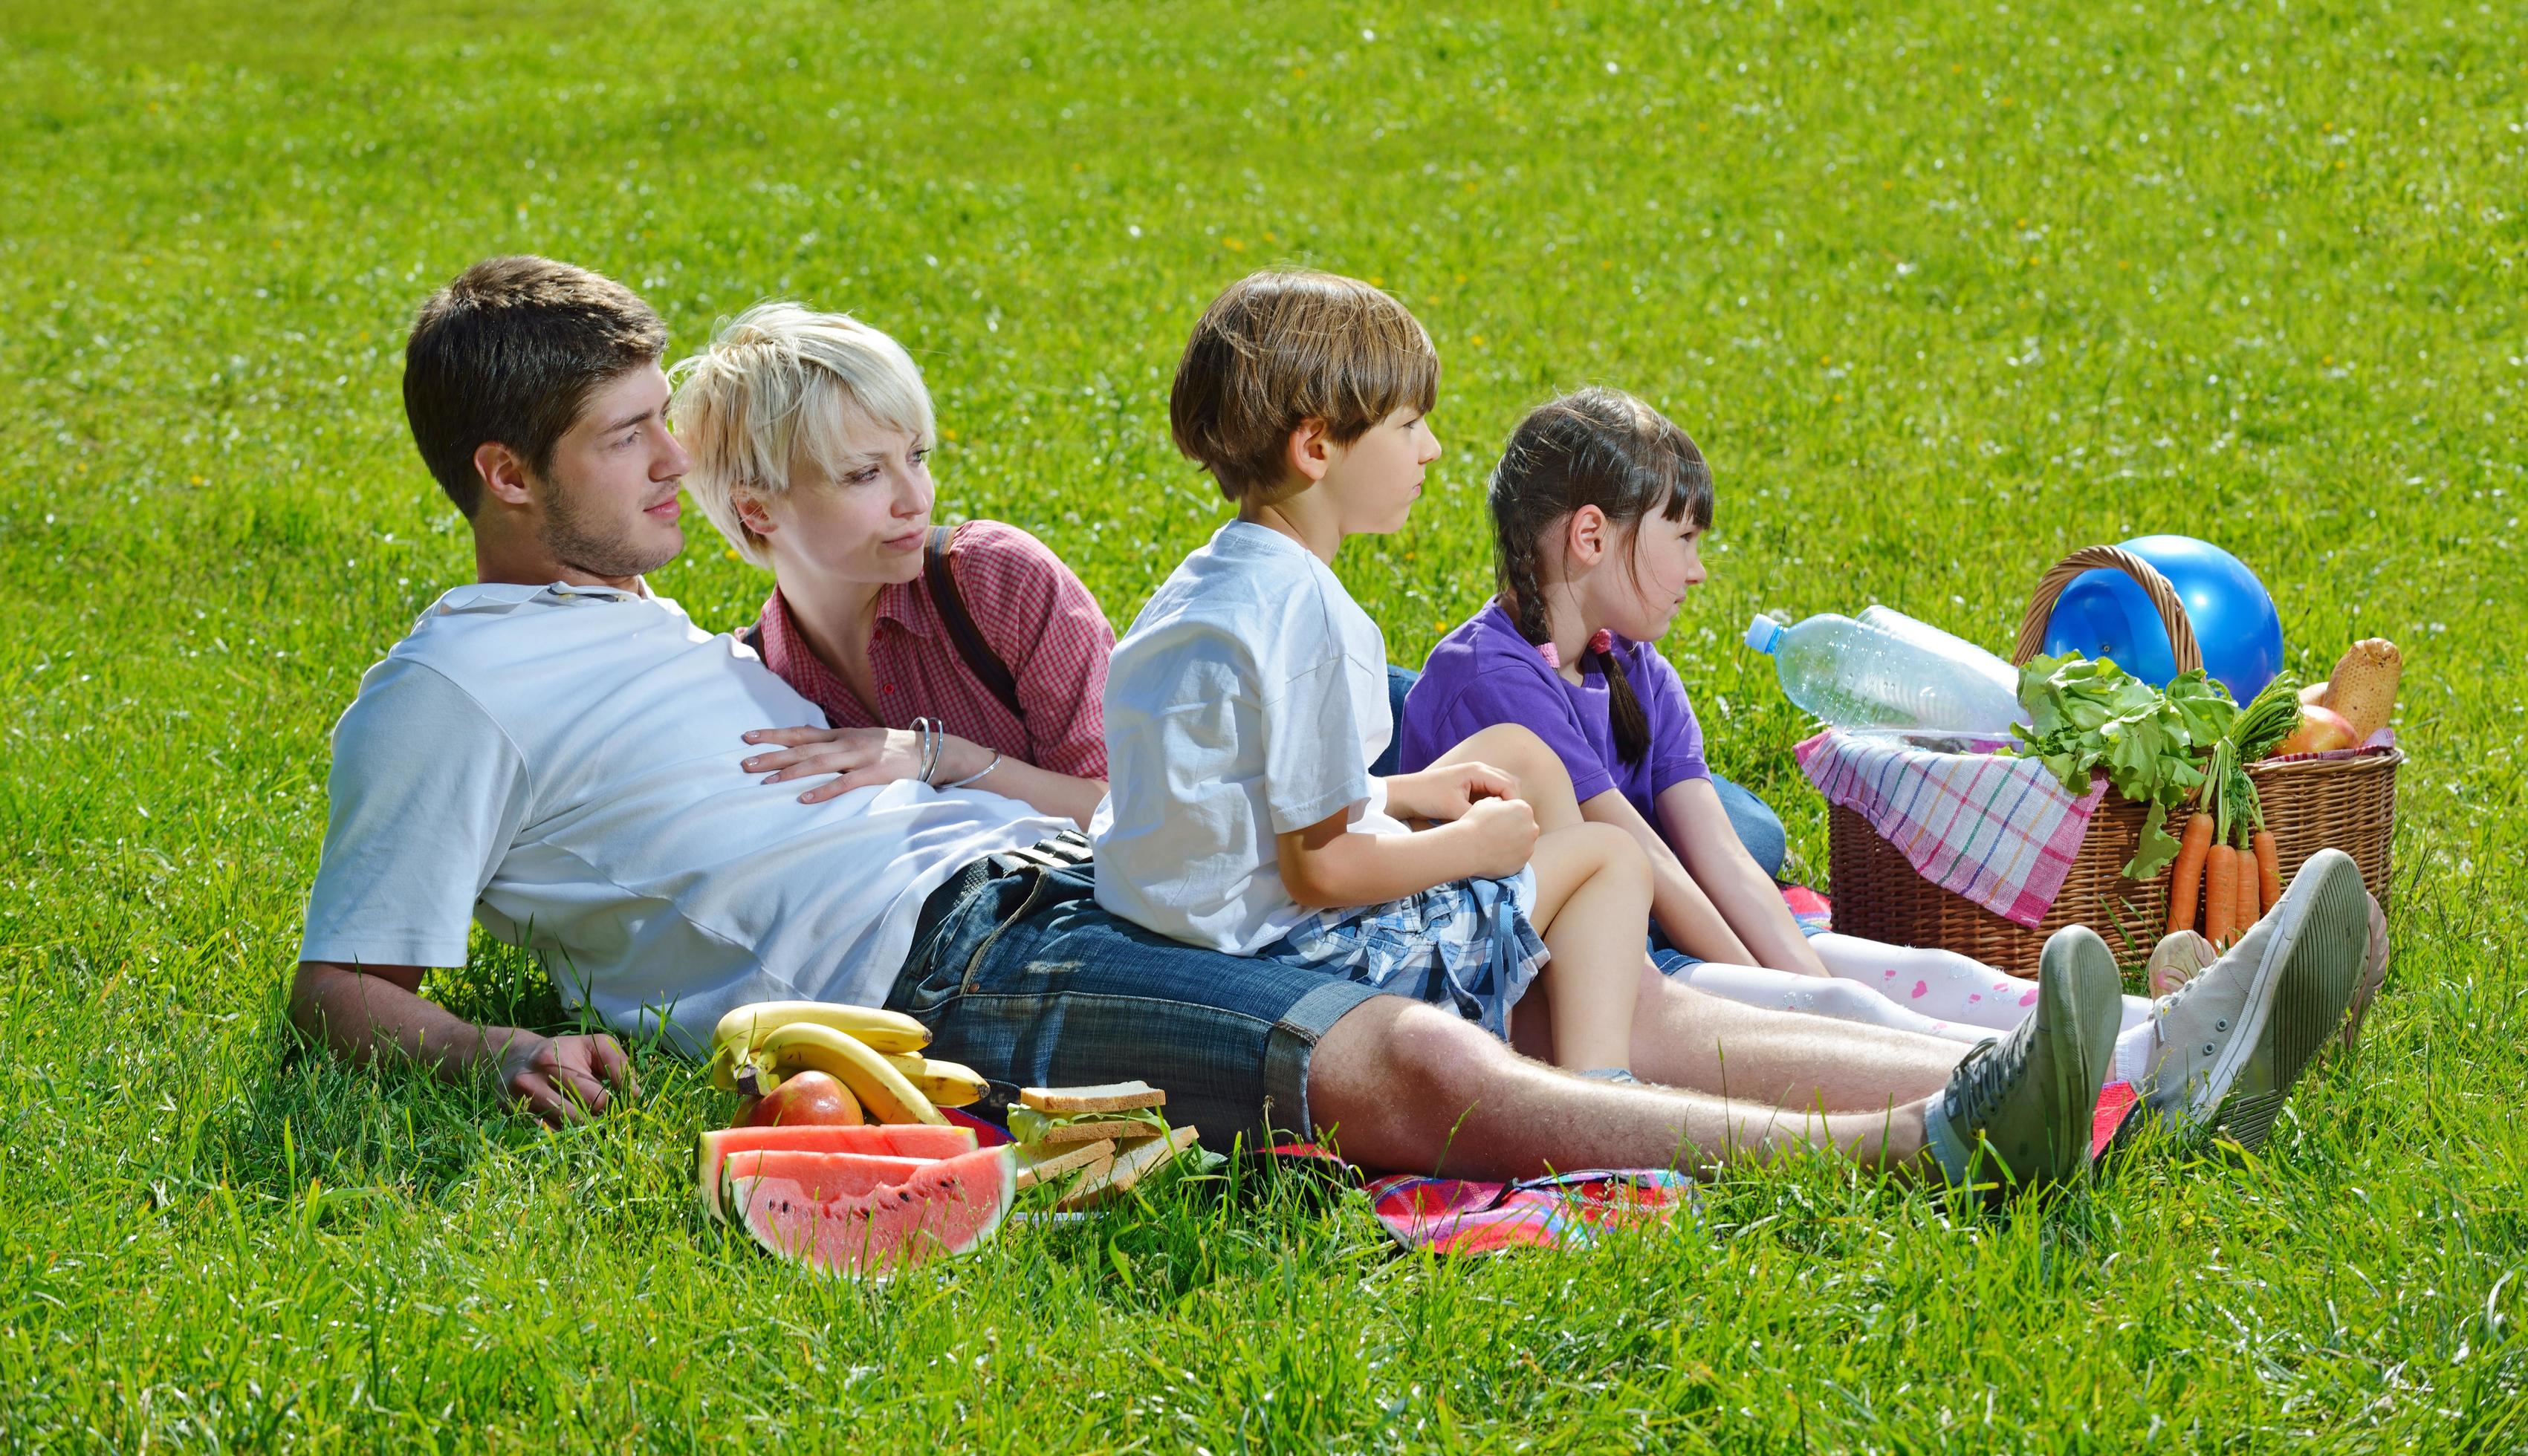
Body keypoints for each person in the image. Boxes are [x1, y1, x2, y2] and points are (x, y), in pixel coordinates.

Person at [288, 256, 2348, 1200]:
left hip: (1026, 881)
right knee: (1396, 1057)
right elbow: (343, 984)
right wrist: (492, 1046)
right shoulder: (451, 685)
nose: (667, 473)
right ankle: (1935, 1139)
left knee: (1559, 951)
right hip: (924, 974)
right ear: (499, 474)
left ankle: (2136, 1066)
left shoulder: (653, 615)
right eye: (627, 443)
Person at [1397, 386, 2375, 1143]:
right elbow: (1640, 866)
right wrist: (1794, 991)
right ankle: (2151, 1071)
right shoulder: (1494, 682)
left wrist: (1798, 960)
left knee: (1900, 970)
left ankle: (2180, 1020)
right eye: (1683, 539)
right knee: (1835, 998)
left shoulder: (1633, 670)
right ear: (1589, 537)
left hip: (1653, 952)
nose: (1699, 570)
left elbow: (1722, 860)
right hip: (1571, 987)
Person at [1091, 270, 1656, 1079]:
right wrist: (1470, 848)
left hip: (1189, 918)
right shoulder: (1312, 619)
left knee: (1516, 752)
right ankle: (1599, 1094)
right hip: (1308, 955)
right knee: (1610, 855)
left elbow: (1226, 789)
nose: (1431, 447)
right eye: (1409, 423)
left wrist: (1398, 793)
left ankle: (1556, 973)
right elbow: (1319, 870)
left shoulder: (1202, 585)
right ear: (1316, 446)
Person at [668, 302, 1111, 827]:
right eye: (865, 474)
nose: (916, 499)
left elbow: (1134, 818)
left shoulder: (998, 581)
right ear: (757, 509)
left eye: (917, 456)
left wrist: (947, 760)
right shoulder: (757, 683)